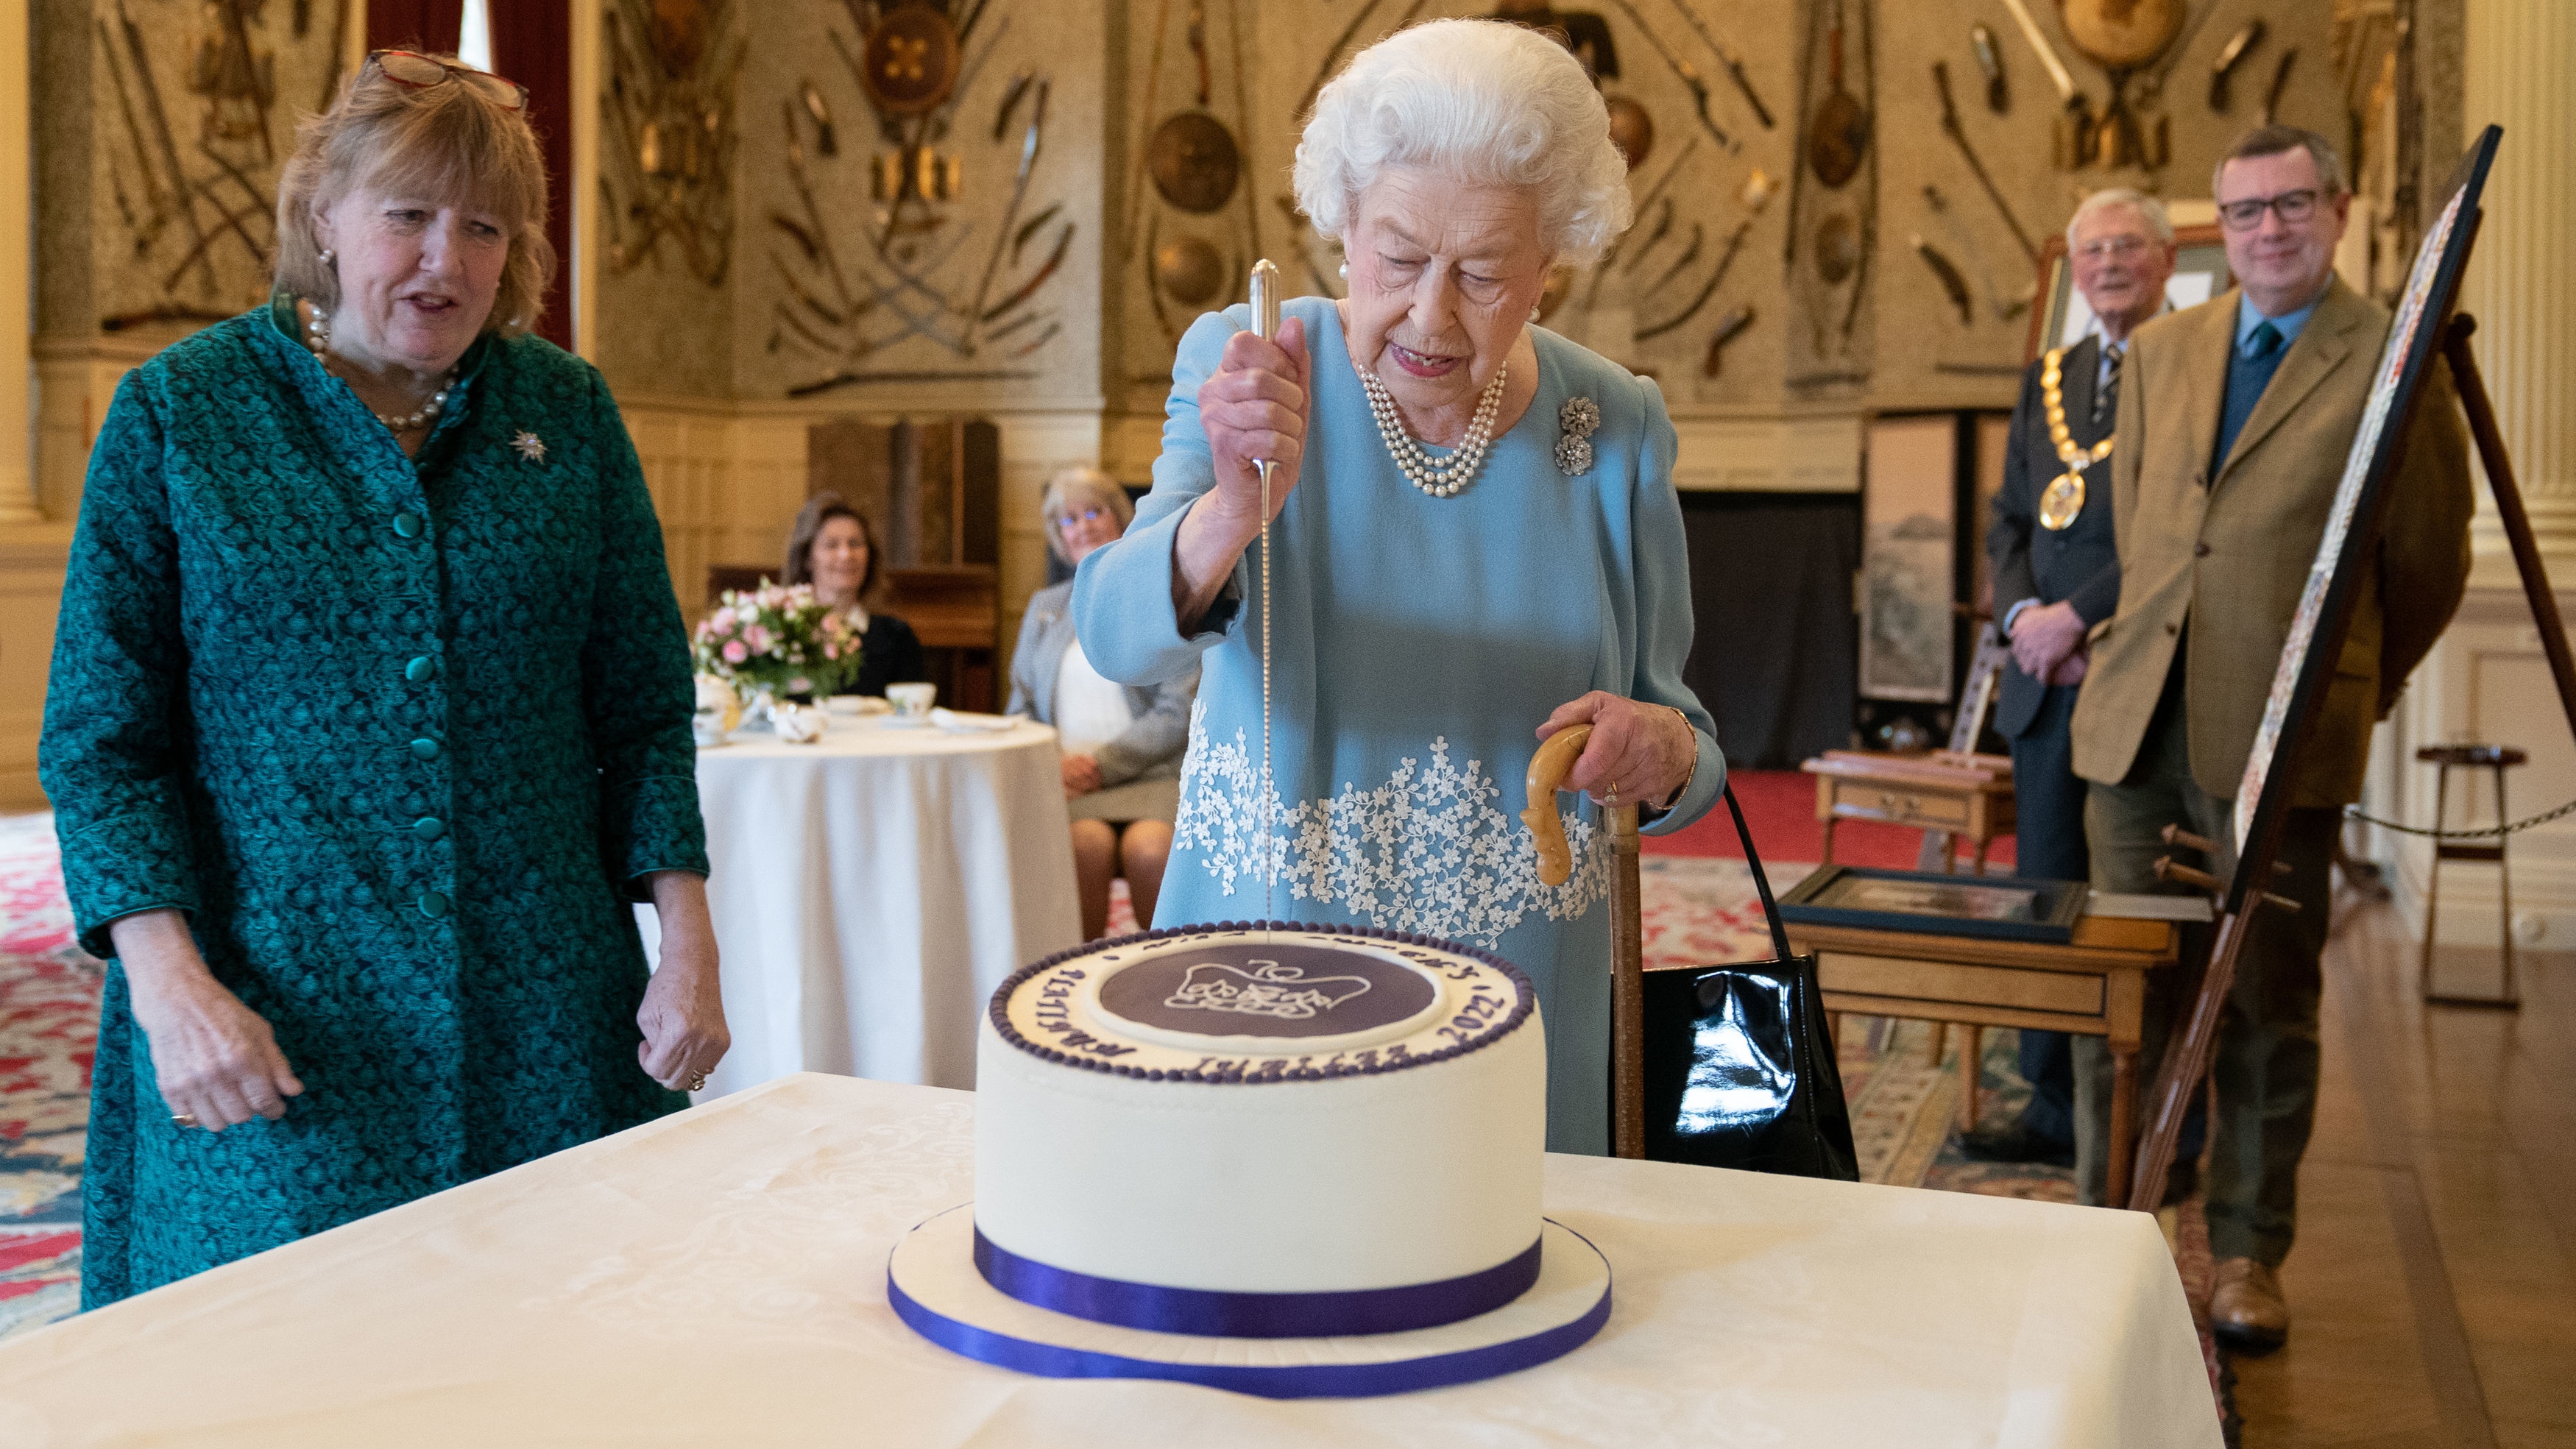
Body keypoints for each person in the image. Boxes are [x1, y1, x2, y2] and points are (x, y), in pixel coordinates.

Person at [38, 51, 729, 1308]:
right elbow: (99, 737)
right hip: (279, 1017)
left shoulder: (566, 411)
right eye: (407, 213)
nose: (444, 261)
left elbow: (638, 704)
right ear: (325, 215)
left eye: (483, 226)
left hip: (547, 1012)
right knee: (284, 1360)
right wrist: (169, 982)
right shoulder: (180, 414)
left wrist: (686, 937)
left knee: (549, 1339)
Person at [1073, 18, 1724, 1155]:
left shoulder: (1613, 423)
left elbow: (1688, 739)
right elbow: (1115, 638)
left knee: (1506, 1303)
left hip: (1519, 1001)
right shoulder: (1251, 360)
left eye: (1481, 274)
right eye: (1398, 257)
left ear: (1549, 265)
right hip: (1266, 980)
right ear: (1339, 229)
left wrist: (1662, 750)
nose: (1431, 313)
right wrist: (1230, 509)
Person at [2067, 125, 2473, 1349]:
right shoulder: (2167, 348)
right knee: (2123, 991)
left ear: (2338, 210)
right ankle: (2111, 1225)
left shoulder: (2391, 362)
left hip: (2279, 742)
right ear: (2220, 230)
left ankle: (2247, 1246)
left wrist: (2353, 686)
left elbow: (2430, 566)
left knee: (2263, 1006)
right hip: (2136, 726)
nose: (2268, 230)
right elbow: (2152, 539)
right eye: (2244, 212)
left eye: (2291, 204)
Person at [1970, 189, 2177, 1173]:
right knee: (2047, 891)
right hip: (2045, 681)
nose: (2107, 263)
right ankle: (2052, 1112)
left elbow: (2179, 529)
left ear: (2167, 257)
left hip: (2140, 677)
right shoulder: (2053, 374)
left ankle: (2156, 1120)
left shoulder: (2195, 370)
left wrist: (2077, 617)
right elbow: (2009, 516)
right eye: (2091, 249)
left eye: (2127, 245)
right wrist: (2023, 619)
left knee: (2135, 906)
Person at [1008, 469, 1199, 940]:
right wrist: (1057, 768)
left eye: (1095, 511)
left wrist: (1099, 766)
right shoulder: (1045, 607)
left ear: (1121, 518)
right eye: (1068, 519)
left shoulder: (1160, 597)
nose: (1084, 526)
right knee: (1083, 848)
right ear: (1058, 535)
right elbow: (1021, 709)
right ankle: (1077, 987)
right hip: (1069, 783)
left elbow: (1177, 712)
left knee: (1149, 850)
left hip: (1152, 774)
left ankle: (1175, 981)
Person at [782, 494, 927, 699]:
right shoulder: (782, 635)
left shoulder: (896, 637)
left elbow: (912, 717)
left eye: (855, 543)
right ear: (807, 559)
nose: (846, 555)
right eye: (831, 545)